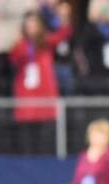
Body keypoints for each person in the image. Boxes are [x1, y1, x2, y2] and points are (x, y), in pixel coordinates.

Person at [10, 10, 72, 154]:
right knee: (28, 145)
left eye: (34, 23)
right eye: (28, 23)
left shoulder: (46, 42)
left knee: (45, 146)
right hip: (26, 101)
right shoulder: (20, 46)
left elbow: (62, 34)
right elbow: (14, 59)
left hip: (45, 99)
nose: (31, 26)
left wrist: (64, 20)